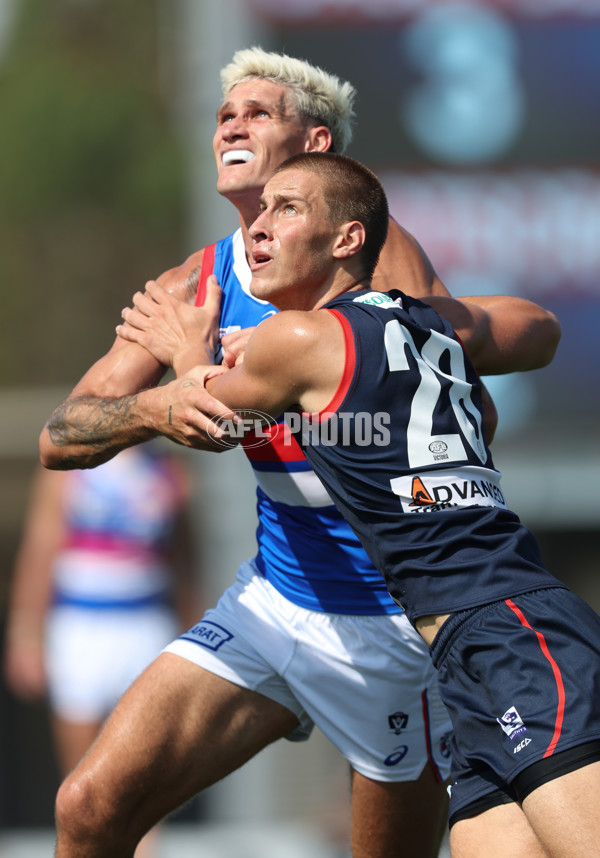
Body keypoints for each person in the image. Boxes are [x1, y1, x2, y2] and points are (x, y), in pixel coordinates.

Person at [39, 50, 561, 858]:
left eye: (259, 112)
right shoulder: (195, 286)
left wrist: (266, 379)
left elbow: (469, 411)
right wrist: (159, 404)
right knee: (88, 807)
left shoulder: (371, 258)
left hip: (391, 625)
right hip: (275, 603)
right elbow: (62, 435)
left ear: (317, 144)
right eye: (223, 115)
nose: (232, 124)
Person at [120, 152, 600, 858]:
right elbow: (533, 331)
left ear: (349, 241)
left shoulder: (300, 336)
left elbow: (208, 415)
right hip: (462, 650)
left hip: (506, 631)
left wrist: (190, 349)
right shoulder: (424, 325)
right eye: (262, 211)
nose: (259, 227)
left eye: (288, 208)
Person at [4, 444, 201, 858]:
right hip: (80, 631)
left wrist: (196, 633)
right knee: (81, 783)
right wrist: (25, 634)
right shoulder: (69, 468)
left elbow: (183, 562)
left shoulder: (170, 472)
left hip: (146, 628)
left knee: (144, 776)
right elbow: (41, 550)